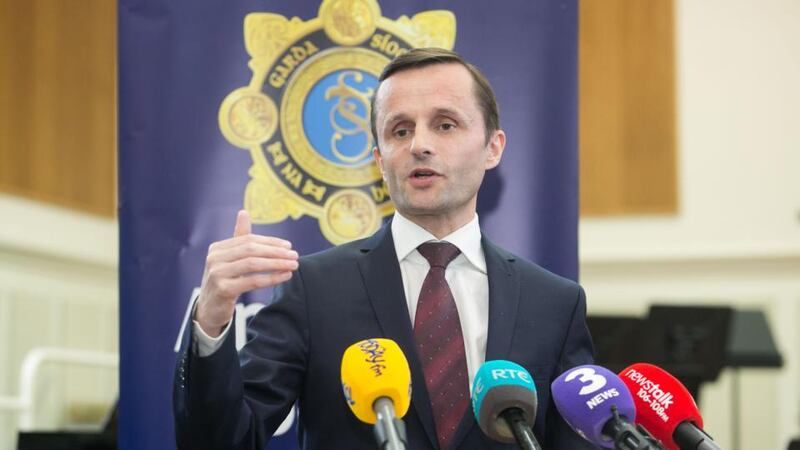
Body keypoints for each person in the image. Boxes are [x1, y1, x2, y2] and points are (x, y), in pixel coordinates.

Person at [174, 47, 596, 449]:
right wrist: (211, 320)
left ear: (493, 147)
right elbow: (221, 442)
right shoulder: (314, 290)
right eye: (400, 130)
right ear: (379, 160)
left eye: (445, 124)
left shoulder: (555, 304)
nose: (419, 145)